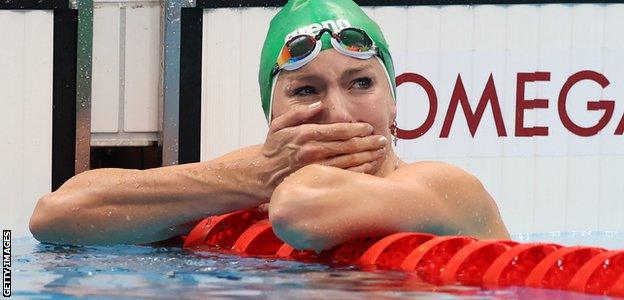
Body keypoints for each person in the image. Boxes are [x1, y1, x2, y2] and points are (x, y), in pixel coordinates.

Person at [29, 0, 509, 250]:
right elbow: (55, 216)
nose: (338, 114)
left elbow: (302, 212)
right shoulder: (258, 174)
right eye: (306, 90)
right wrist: (251, 177)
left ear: (395, 105)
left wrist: (261, 178)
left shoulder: (445, 188)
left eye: (360, 83)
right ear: (273, 117)